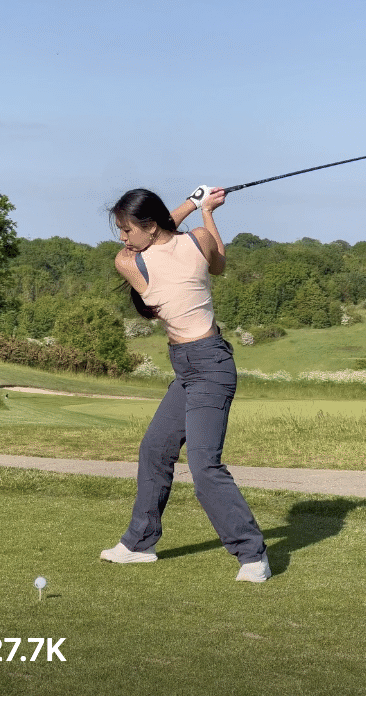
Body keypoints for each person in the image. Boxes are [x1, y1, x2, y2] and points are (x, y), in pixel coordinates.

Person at [101, 185, 269, 582]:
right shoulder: (130, 261)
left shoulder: (195, 239)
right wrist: (199, 206)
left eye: (126, 229)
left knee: (204, 465)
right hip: (186, 367)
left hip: (211, 362)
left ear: (149, 224)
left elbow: (217, 264)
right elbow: (176, 238)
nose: (123, 239)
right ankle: (139, 544)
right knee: (155, 449)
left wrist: (201, 208)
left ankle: (252, 556)